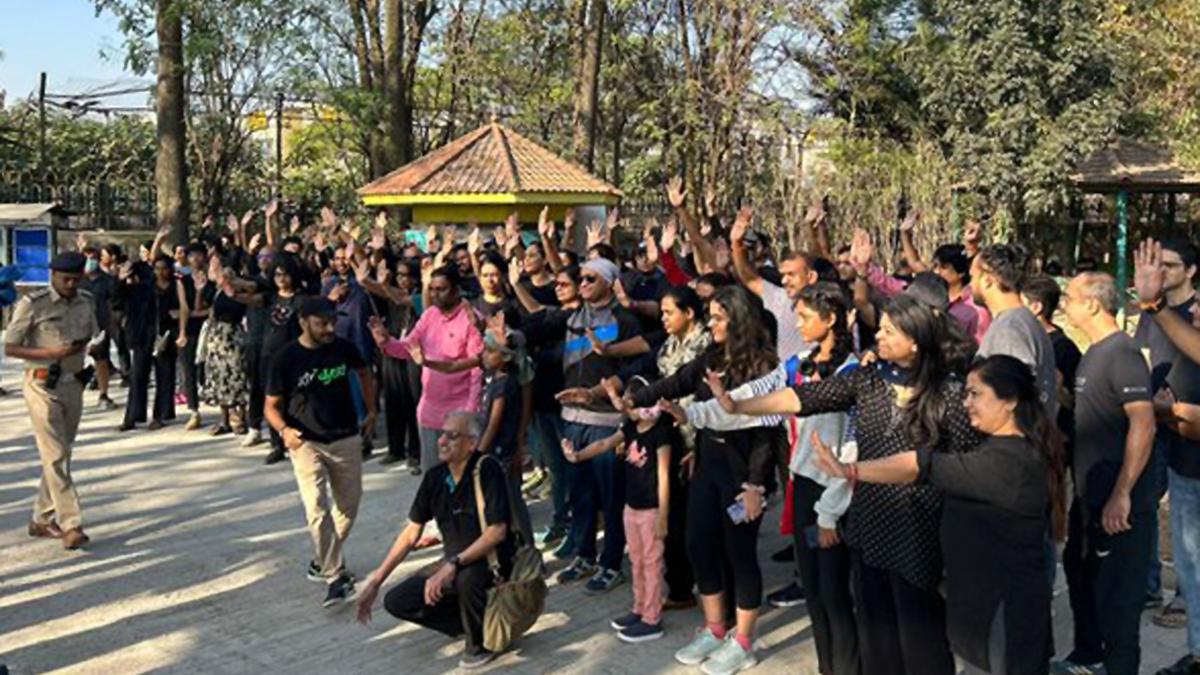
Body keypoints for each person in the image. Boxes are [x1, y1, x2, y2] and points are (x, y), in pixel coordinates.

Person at [731, 294, 979, 675]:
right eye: (880, 328)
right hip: (871, 525)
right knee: (877, 636)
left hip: (919, 531)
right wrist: (739, 406)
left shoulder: (949, 393)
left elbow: (964, 468)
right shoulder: (870, 380)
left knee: (920, 638)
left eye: (888, 331)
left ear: (915, 340)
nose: (878, 336)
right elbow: (806, 397)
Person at [814, 354, 1065, 675]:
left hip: (1002, 615)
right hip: (983, 609)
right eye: (966, 393)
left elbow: (919, 465)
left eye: (975, 394)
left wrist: (850, 470)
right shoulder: (998, 449)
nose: (966, 403)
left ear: (1010, 401)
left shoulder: (1008, 462)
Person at [627, 286, 786, 675]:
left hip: (742, 474)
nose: (710, 323)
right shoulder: (712, 357)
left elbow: (768, 434)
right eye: (710, 316)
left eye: (717, 317)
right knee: (699, 545)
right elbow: (677, 382)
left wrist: (756, 485)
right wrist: (635, 398)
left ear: (738, 319)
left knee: (740, 554)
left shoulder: (765, 366)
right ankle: (715, 629)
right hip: (707, 466)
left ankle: (743, 641)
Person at [355, 412, 514, 670]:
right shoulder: (435, 477)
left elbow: (497, 532)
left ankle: (478, 646)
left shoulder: (487, 469)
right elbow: (411, 534)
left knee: (466, 578)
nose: (441, 441)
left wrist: (453, 565)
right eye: (442, 434)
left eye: (452, 436)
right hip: (452, 562)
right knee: (398, 600)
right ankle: (469, 624)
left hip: (491, 560)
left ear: (471, 443)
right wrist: (376, 581)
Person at [1055, 272, 1156, 675]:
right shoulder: (1094, 352)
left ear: (1093, 305)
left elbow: (1143, 423)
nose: (1065, 305)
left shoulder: (1122, 353)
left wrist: (1122, 492)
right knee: (1081, 575)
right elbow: (1097, 410)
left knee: (1118, 600)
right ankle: (1088, 655)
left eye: (1071, 298)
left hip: (1119, 503)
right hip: (1088, 497)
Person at [265, 297, 377, 608]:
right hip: (306, 442)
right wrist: (285, 431)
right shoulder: (285, 359)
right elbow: (270, 407)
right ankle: (335, 576)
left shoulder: (344, 349)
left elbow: (365, 373)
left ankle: (322, 559)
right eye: (321, 323)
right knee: (316, 507)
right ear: (303, 322)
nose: (329, 328)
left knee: (348, 507)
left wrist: (371, 410)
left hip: (345, 437)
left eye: (332, 322)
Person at [564, 379, 672, 644]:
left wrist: (663, 516)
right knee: (636, 561)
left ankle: (652, 618)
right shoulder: (630, 428)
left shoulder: (661, 434)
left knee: (651, 564)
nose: (627, 408)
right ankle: (639, 608)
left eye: (632, 403)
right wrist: (578, 456)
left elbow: (664, 476)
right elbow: (604, 444)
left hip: (651, 510)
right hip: (631, 507)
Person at [6, 252, 99, 550]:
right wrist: (49, 354)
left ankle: (41, 518)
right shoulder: (33, 304)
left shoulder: (86, 301)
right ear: (53, 275)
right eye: (66, 279)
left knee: (60, 454)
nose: (71, 284)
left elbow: (93, 337)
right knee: (56, 454)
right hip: (41, 385)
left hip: (73, 384)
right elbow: (10, 347)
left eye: (76, 279)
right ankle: (72, 524)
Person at [1133, 239, 1198, 612]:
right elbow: (1143, 358)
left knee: (1189, 523)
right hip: (1157, 423)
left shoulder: (1195, 310)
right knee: (1144, 504)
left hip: (1191, 428)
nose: (1160, 272)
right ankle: (1149, 586)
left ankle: (1188, 596)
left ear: (1191, 271)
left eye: (1169, 265)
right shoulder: (1150, 312)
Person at [372, 265, 483, 473]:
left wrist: (469, 413)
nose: (434, 294)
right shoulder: (430, 315)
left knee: (461, 477)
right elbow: (408, 348)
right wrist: (386, 341)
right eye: (431, 289)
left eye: (441, 289)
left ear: (456, 290)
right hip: (429, 412)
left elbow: (477, 370)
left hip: (460, 411)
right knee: (432, 477)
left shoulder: (471, 319)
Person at [971, 243, 1058, 421]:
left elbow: (1012, 393)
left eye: (972, 277)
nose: (970, 284)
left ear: (987, 280)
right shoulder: (1021, 321)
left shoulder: (1010, 330)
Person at [201, 255, 251, 436]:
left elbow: (242, 312)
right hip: (218, 337)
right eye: (224, 274)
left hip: (234, 335)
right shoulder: (217, 292)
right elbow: (207, 308)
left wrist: (234, 290)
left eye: (230, 275)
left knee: (238, 375)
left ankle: (242, 417)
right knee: (219, 377)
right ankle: (224, 419)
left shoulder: (241, 294)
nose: (226, 278)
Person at [81, 246, 117, 411]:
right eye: (86, 257)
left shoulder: (107, 280)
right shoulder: (77, 280)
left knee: (101, 360)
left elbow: (114, 300)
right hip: (78, 324)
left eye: (93, 258)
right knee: (75, 360)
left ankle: (103, 394)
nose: (90, 261)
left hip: (100, 324)